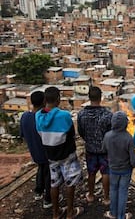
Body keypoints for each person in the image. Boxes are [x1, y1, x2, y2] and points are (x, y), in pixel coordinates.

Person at [36, 86, 84, 219]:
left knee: (54, 183)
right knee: (70, 182)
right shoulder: (64, 116)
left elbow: (41, 135)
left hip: (50, 155)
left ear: (45, 99)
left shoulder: (38, 116)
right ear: (58, 99)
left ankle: (56, 213)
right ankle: (70, 212)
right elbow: (71, 134)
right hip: (67, 154)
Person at [78, 86, 112, 205]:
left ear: (89, 97)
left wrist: (88, 140)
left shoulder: (82, 114)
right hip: (104, 150)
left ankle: (91, 195)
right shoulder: (107, 114)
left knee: (91, 172)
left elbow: (81, 131)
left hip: (90, 149)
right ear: (101, 97)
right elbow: (110, 132)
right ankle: (106, 198)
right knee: (106, 173)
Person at [20, 91, 52, 209]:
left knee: (41, 168)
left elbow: (23, 135)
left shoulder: (25, 117)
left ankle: (38, 191)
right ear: (44, 101)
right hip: (46, 151)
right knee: (49, 174)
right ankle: (48, 199)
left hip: (34, 151)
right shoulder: (44, 117)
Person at [102, 111, 135, 219]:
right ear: (125, 123)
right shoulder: (128, 138)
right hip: (126, 171)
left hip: (113, 169)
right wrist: (134, 165)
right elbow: (133, 159)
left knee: (113, 190)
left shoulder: (107, 136)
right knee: (123, 191)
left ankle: (113, 213)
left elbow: (103, 150)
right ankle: (121, 216)